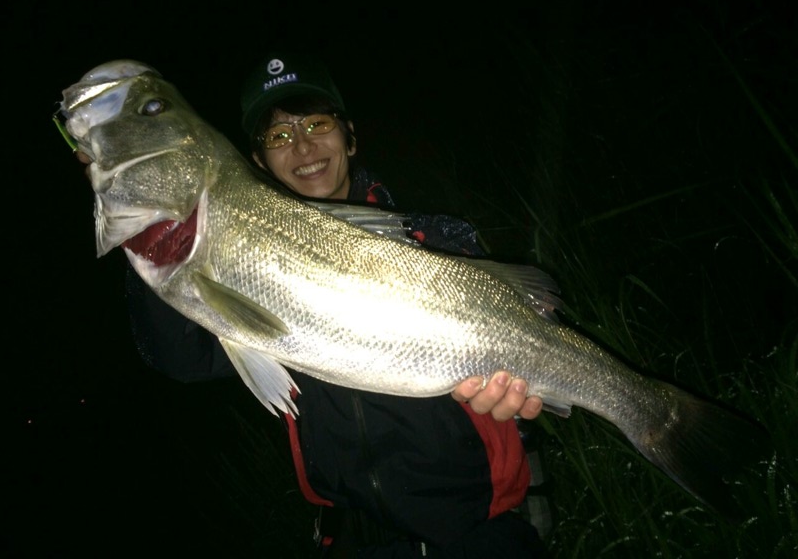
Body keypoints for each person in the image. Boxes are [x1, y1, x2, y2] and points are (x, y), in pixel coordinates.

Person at [116, 51, 550, 557]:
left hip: (480, 538)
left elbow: (529, 342)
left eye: (317, 123)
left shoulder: (435, 239)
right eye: (278, 136)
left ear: (349, 136)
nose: (302, 146)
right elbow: (181, 359)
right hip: (347, 542)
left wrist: (509, 402)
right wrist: (147, 220)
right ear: (257, 162)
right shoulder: (249, 267)